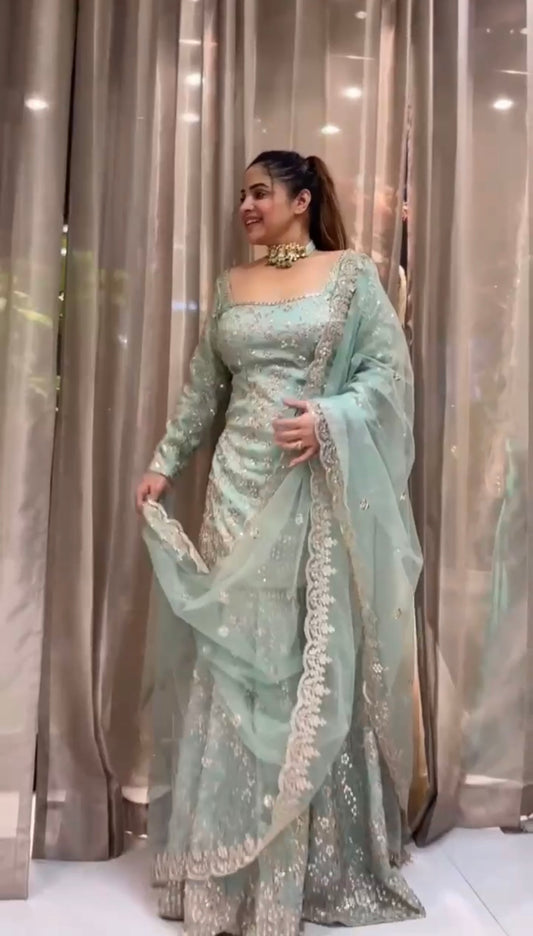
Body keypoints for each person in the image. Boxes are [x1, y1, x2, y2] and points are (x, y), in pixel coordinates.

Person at [136, 150, 424, 935]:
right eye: (241, 194)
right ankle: (226, 864)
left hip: (308, 491)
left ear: (300, 200)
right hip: (234, 487)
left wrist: (329, 418)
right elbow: (204, 389)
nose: (246, 206)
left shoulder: (349, 275)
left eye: (260, 192)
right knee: (235, 655)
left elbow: (387, 378)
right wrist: (164, 463)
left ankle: (305, 865)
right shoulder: (232, 285)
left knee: (299, 656)